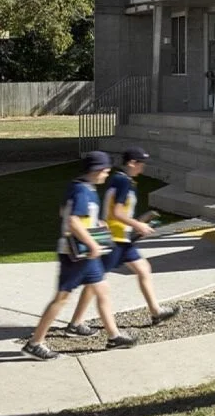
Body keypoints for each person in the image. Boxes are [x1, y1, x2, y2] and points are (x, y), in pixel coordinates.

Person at [21, 151, 137, 360]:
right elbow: (73, 221)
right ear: (97, 170)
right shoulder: (83, 191)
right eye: (106, 170)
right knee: (61, 298)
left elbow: (63, 212)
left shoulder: (80, 186)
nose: (107, 174)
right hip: (75, 254)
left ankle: (114, 336)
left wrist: (95, 224)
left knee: (102, 289)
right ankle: (35, 343)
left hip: (84, 254)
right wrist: (92, 242)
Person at [66, 146, 179, 334]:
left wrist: (140, 221)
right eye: (141, 163)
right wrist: (138, 225)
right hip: (115, 239)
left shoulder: (121, 180)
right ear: (131, 163)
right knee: (96, 281)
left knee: (143, 269)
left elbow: (117, 211)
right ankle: (76, 323)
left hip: (123, 238)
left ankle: (155, 311)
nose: (143, 167)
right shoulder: (123, 182)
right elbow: (116, 213)